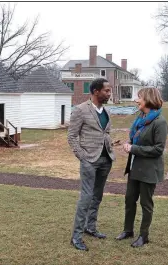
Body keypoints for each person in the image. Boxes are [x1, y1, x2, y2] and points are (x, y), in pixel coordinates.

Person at [115, 87, 168, 248]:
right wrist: (130, 144)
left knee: (146, 204)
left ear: (149, 99)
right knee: (129, 200)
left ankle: (143, 236)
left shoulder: (160, 122)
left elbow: (158, 149)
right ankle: (127, 230)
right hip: (134, 168)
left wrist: (134, 149)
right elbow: (136, 138)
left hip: (149, 170)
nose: (136, 100)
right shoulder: (141, 118)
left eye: (139, 97)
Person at [68, 78, 115, 251]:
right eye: (107, 91)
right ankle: (76, 236)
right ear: (96, 91)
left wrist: (109, 146)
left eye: (109, 91)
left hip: (105, 160)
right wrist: (82, 156)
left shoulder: (106, 111)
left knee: (97, 196)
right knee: (86, 197)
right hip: (89, 160)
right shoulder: (80, 110)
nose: (109, 94)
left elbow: (105, 132)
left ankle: (90, 227)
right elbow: (72, 136)